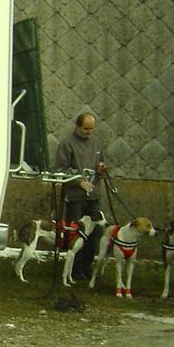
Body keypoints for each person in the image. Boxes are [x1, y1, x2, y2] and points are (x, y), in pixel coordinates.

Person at [52, 107, 107, 279]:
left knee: (96, 232)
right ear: (78, 127)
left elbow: (101, 162)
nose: (89, 132)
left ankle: (86, 266)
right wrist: (78, 181)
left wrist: (101, 169)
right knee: (76, 233)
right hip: (75, 197)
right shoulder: (66, 144)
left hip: (94, 195)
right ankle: (74, 268)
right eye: (86, 129)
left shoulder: (97, 143)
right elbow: (60, 170)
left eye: (92, 128)